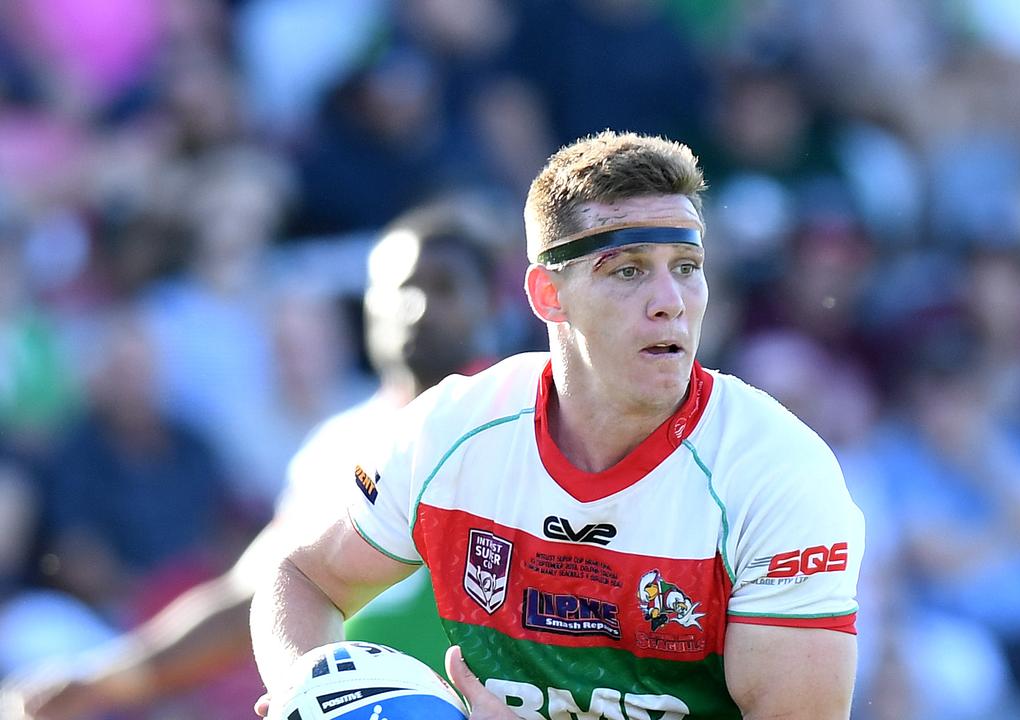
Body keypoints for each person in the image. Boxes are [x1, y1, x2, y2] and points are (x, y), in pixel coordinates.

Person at [249, 131, 865, 719]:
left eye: (686, 266)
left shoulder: (777, 474)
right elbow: (298, 575)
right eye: (628, 270)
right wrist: (307, 691)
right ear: (547, 295)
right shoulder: (453, 430)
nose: (670, 301)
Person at [1, 200, 500, 720]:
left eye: (444, 288)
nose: (415, 308)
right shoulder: (341, 443)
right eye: (399, 288)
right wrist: (103, 680)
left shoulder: (521, 428)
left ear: (493, 304)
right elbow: (254, 593)